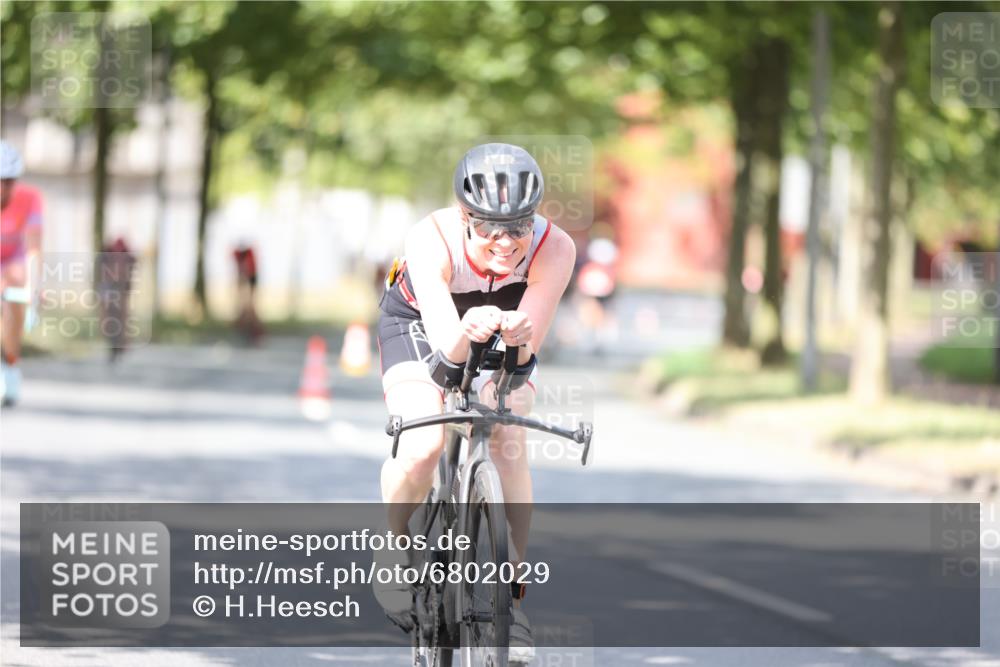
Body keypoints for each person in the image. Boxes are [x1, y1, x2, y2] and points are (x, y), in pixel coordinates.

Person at [375, 143, 575, 661]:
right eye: (488, 227)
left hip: (505, 323)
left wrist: (521, 338)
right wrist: (467, 334)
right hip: (422, 323)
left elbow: (521, 367)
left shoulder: (557, 249)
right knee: (422, 443)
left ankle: (514, 597)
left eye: (518, 226)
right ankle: (394, 548)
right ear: (464, 217)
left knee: (508, 431)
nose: (505, 242)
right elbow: (446, 364)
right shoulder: (429, 238)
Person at [0, 141, 42, 406]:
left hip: (12, 258)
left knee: (15, 285)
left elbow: (33, 250)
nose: (5, 189)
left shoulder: (29, 199)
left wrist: (33, 293)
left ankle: (11, 363)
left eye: (10, 182)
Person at [96, 237, 137, 363]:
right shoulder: (122, 257)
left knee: (116, 320)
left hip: (117, 290)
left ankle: (118, 345)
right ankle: (117, 345)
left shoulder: (113, 257)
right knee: (115, 320)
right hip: (113, 290)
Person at [232, 241, 263, 345]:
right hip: (245, 276)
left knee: (250, 304)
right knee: (243, 303)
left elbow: (248, 272)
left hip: (251, 277)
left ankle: (253, 330)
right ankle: (245, 327)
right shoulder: (238, 254)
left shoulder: (250, 256)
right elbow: (240, 270)